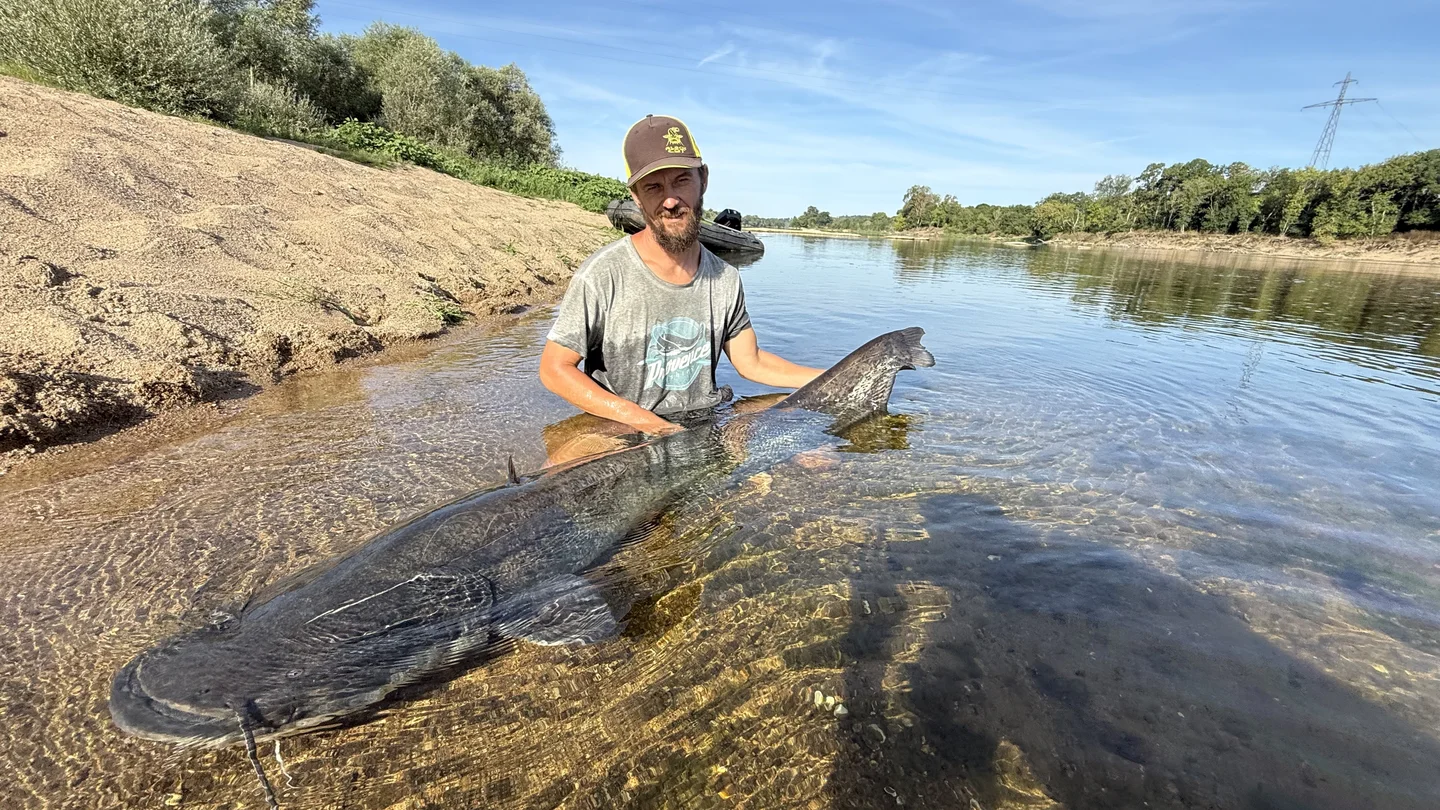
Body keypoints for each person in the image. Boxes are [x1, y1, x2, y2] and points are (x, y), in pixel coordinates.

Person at [538, 115, 821, 462]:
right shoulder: (604, 274)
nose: (670, 200)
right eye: (653, 187)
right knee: (561, 465)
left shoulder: (725, 279)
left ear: (703, 180)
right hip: (623, 425)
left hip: (703, 421)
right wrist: (647, 423)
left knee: (809, 440)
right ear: (636, 197)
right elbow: (554, 369)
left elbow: (753, 362)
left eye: (681, 181)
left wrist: (833, 378)